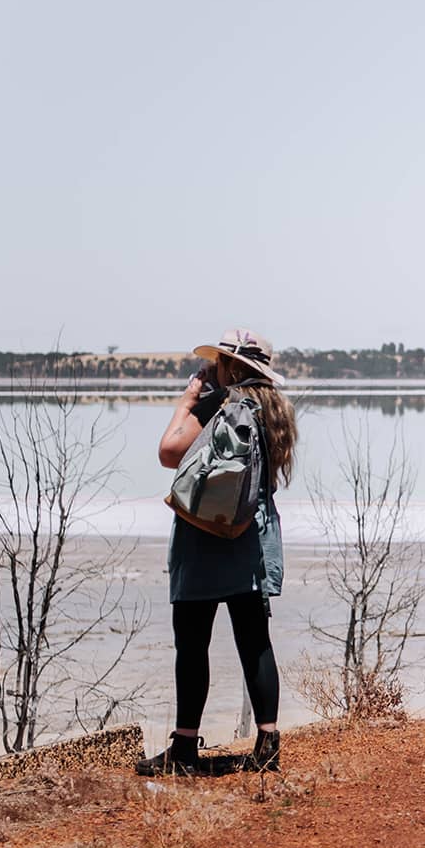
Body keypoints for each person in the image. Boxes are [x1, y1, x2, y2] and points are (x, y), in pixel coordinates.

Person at [137, 329, 297, 776]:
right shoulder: (274, 410)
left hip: (203, 535)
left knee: (192, 643)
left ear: (231, 367)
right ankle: (267, 744)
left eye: (219, 363)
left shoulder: (217, 406)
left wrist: (189, 398)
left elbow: (169, 452)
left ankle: (184, 749)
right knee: (254, 641)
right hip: (251, 533)